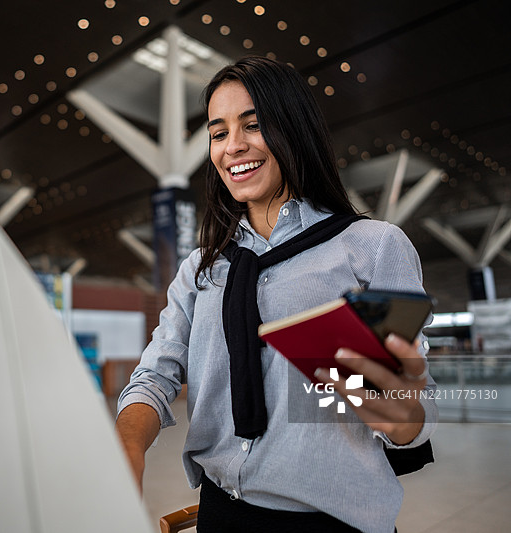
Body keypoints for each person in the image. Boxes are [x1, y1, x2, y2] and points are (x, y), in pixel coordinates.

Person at [115, 57, 437, 533]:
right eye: (218, 132)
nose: (234, 146)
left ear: (294, 128)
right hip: (223, 513)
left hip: (332, 521)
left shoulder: (369, 248)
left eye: (254, 124)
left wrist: (401, 414)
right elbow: (156, 374)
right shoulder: (203, 268)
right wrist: (126, 448)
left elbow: (410, 408)